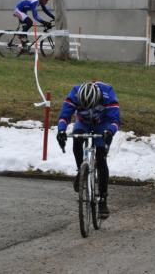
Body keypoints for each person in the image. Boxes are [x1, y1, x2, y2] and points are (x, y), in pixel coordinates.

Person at [56, 81, 121, 219]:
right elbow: (64, 116)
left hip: (102, 124)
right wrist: (61, 131)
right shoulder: (75, 92)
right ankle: (81, 171)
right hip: (83, 122)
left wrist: (110, 131)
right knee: (77, 140)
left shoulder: (108, 93)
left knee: (101, 158)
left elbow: (115, 120)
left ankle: (103, 200)